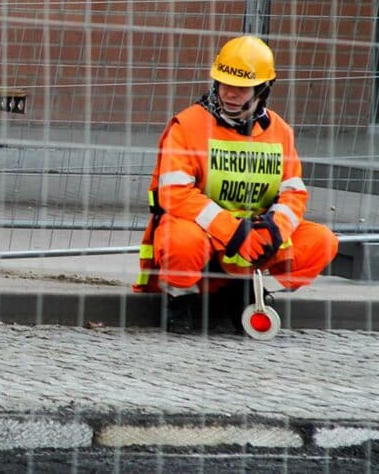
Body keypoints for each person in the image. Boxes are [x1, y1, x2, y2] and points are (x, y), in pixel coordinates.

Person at [132, 35, 338, 333]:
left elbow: (294, 193)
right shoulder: (188, 125)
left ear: (262, 89)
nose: (229, 93)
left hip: (254, 232)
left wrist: (273, 229)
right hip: (204, 230)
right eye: (223, 84)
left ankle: (240, 288)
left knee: (322, 241)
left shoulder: (280, 131)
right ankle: (180, 299)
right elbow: (173, 194)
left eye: (240, 88)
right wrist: (231, 230)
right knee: (181, 241)